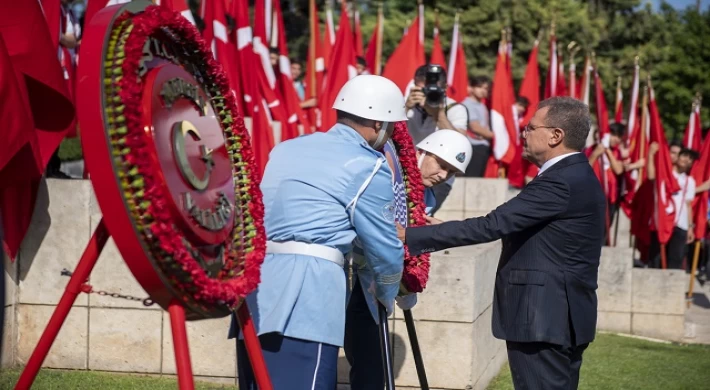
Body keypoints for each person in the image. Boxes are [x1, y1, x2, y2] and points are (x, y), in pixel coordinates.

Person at [397, 97, 605, 390]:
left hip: (543, 318)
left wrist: (409, 235)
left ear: (556, 135)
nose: (523, 133)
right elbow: (539, 234)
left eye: (531, 128)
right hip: (560, 316)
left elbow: (493, 224)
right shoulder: (576, 174)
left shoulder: (561, 180)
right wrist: (445, 229)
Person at [230, 75, 407, 389]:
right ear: (378, 125)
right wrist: (389, 291)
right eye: (391, 126)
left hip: (257, 289)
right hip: (308, 293)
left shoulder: (286, 148)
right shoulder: (369, 165)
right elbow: (385, 248)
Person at [344, 130, 472, 389]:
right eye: (441, 165)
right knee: (368, 364)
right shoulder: (388, 170)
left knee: (374, 366)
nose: (443, 175)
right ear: (423, 152)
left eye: (451, 172)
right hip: (356, 274)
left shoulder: (427, 195)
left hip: (382, 279)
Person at [404, 64, 469, 215]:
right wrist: (404, 108)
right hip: (406, 170)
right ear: (414, 85)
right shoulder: (403, 103)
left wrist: (439, 114)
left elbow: (459, 144)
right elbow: (384, 132)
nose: (428, 94)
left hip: (439, 176)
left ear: (445, 87)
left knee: (420, 215)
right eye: (424, 89)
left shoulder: (454, 108)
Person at [647, 143, 698, 269]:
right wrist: (651, 154)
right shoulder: (664, 173)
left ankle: (671, 288)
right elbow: (651, 176)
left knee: (676, 258)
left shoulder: (690, 181)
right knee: (656, 257)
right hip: (663, 221)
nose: (687, 160)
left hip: (680, 224)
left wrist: (690, 227)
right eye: (685, 155)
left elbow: (688, 204)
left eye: (691, 159)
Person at [461, 75, 493, 177]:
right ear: (472, 88)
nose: (483, 91)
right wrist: (494, 136)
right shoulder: (468, 104)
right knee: (472, 178)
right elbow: (474, 127)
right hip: (473, 146)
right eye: (480, 87)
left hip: (483, 146)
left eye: (486, 88)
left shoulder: (482, 105)